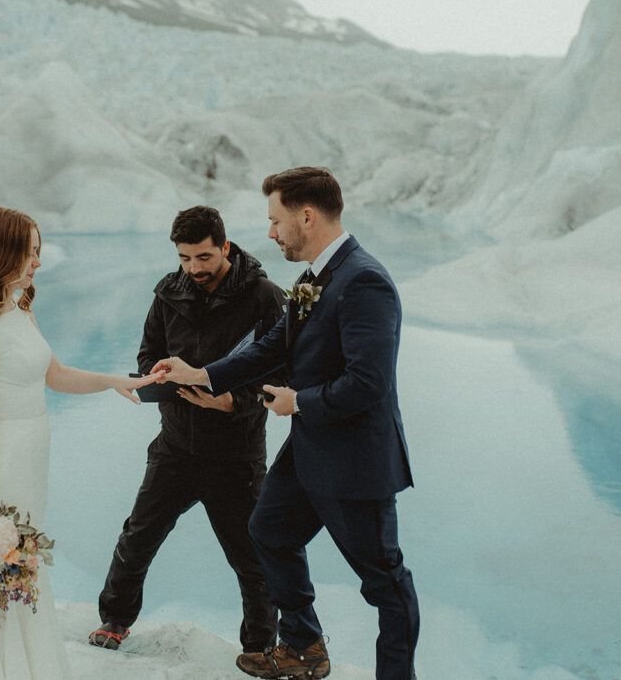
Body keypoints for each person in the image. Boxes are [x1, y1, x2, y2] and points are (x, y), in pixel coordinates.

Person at [152, 168, 420, 680]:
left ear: (306, 215)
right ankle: (303, 647)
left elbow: (370, 385)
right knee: (268, 532)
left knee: (385, 584)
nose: (271, 232)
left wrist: (299, 403)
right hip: (309, 451)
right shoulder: (312, 279)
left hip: (356, 461)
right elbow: (273, 348)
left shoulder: (364, 280)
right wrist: (203, 373)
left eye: (275, 221)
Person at [0, 206, 156, 680]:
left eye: (38, 252)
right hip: (2, 459)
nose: (38, 262)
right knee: (2, 568)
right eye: (31, 252)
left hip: (33, 453)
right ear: (2, 254)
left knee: (26, 565)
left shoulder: (20, 309)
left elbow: (55, 375)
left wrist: (114, 381)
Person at [89, 206, 284, 654]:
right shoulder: (168, 293)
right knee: (137, 538)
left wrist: (231, 399)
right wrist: (157, 375)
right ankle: (114, 620)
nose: (194, 268)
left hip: (236, 455)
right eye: (185, 258)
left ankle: (259, 647)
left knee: (253, 560)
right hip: (175, 445)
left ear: (225, 248)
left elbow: (284, 376)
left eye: (204, 257)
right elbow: (146, 357)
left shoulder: (266, 298)